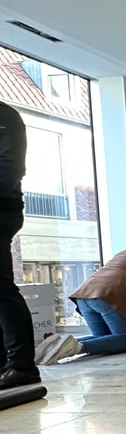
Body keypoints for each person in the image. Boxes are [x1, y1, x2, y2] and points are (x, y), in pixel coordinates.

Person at [35, 231, 126, 364]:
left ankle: (55, 345)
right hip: (111, 296)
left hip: (85, 295)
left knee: (105, 339)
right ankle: (77, 347)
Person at [0, 102, 41, 390]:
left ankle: (21, 366)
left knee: (1, 289)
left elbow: (10, 167)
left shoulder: (4, 116)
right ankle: (7, 363)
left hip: (2, 208)